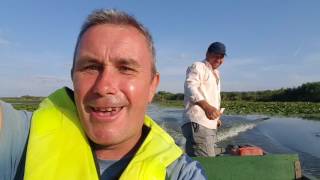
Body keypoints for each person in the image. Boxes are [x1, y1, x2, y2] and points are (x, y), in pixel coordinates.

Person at [0, 9, 207, 180]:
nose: (104, 86)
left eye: (126, 68)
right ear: (73, 77)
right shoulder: (22, 138)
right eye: (90, 67)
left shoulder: (180, 173)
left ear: (152, 86)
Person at [181, 42, 226, 157]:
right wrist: (207, 108)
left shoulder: (216, 73)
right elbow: (190, 87)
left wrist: (216, 119)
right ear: (207, 53)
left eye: (221, 57)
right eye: (216, 55)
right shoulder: (198, 66)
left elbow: (211, 97)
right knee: (205, 164)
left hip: (208, 124)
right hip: (198, 123)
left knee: (201, 163)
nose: (219, 59)